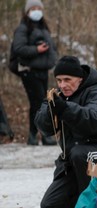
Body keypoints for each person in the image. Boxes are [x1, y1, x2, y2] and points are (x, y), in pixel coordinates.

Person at [35, 56, 97, 208]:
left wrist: (65, 109)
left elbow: (95, 120)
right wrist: (50, 111)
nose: (62, 85)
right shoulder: (58, 95)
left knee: (80, 153)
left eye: (67, 79)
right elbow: (44, 128)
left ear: (80, 78)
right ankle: (88, 199)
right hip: (72, 162)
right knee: (49, 206)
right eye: (59, 80)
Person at [11, 0, 57, 145]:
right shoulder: (23, 29)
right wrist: (36, 50)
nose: (37, 11)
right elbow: (19, 49)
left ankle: (36, 135)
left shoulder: (44, 28)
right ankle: (37, 135)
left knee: (42, 103)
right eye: (33, 8)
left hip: (42, 71)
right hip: (29, 71)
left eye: (39, 8)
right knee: (38, 102)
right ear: (27, 11)